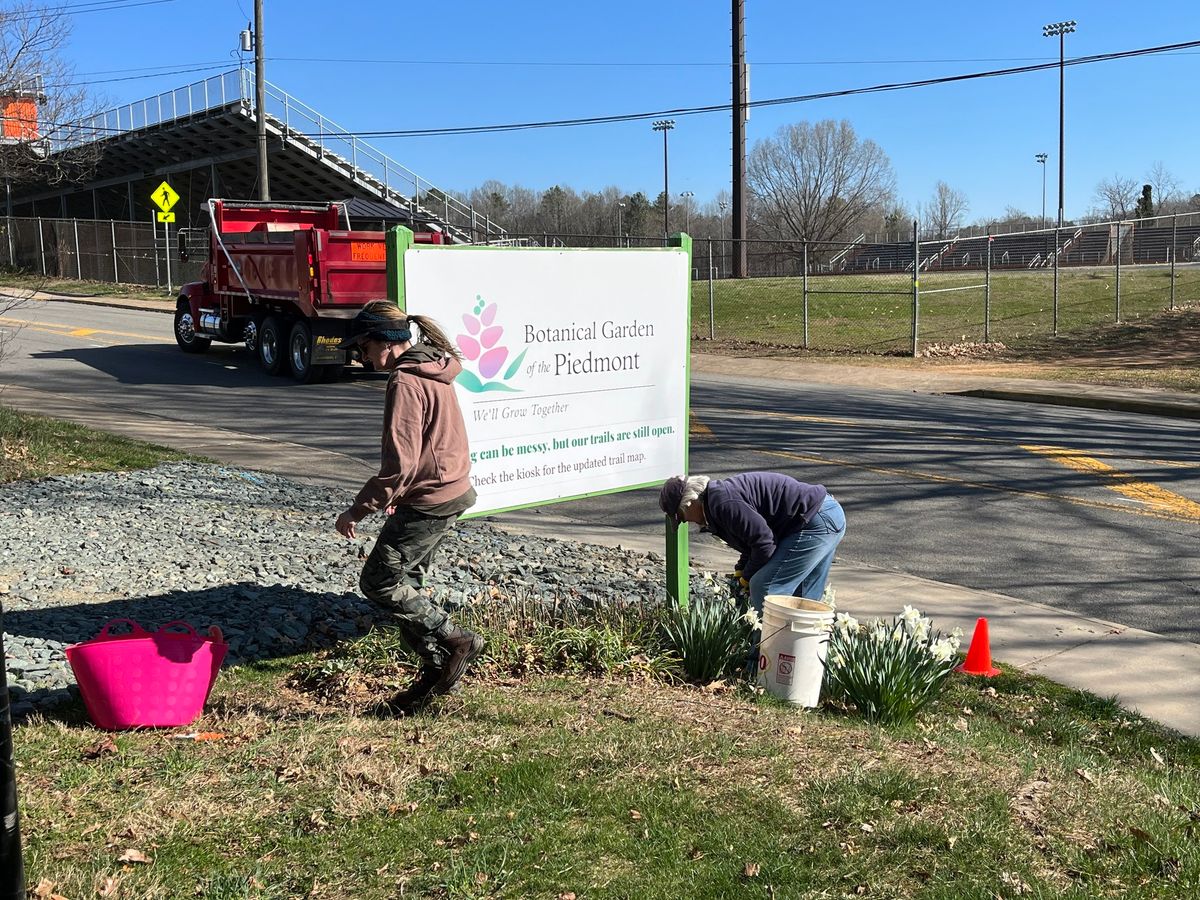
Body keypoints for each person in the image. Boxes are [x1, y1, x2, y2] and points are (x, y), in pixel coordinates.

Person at [334, 300, 483, 714]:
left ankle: (456, 640)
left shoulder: (406, 380)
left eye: (361, 349)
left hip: (430, 499)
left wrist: (358, 510)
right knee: (407, 586)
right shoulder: (432, 367)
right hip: (447, 491)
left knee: (378, 583)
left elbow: (401, 462)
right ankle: (434, 679)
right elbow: (428, 448)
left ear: (382, 341)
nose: (360, 359)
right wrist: (399, 496)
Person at [658, 471, 846, 664]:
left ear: (689, 502)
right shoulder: (716, 503)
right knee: (802, 602)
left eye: (681, 516)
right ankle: (802, 665)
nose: (686, 521)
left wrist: (747, 578)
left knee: (765, 587)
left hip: (815, 522)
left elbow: (764, 544)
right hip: (822, 516)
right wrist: (741, 570)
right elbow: (751, 542)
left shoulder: (723, 503)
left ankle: (762, 665)